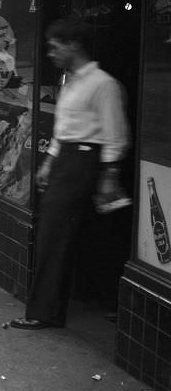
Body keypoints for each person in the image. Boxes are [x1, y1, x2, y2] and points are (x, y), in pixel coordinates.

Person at [10, 19, 130, 330]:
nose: (50, 53)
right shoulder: (71, 81)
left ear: (74, 45)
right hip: (66, 160)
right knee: (65, 234)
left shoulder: (103, 84)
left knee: (55, 235)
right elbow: (63, 131)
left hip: (86, 162)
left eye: (55, 46)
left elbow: (116, 133)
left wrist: (109, 174)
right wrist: (50, 162)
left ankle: (44, 312)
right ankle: (71, 302)